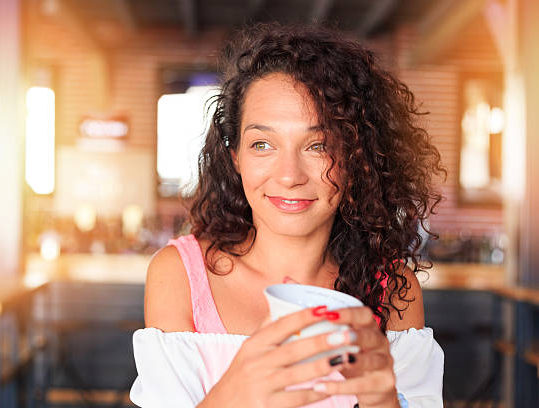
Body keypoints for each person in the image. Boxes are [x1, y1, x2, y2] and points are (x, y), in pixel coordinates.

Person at [130, 22, 445, 408]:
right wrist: (234, 393)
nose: (289, 176)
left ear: (355, 159)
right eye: (262, 144)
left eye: (318, 145)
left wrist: (382, 399)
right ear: (236, 158)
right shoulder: (179, 275)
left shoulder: (394, 288)